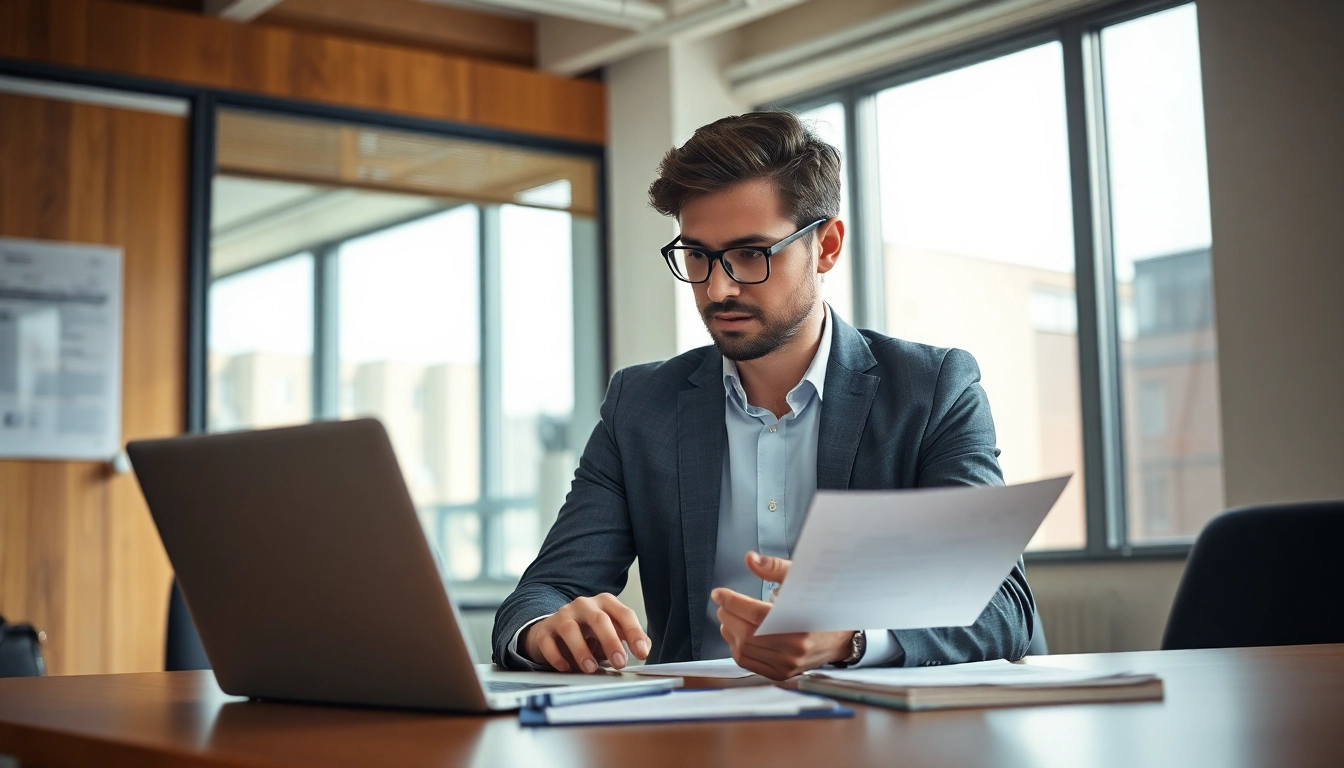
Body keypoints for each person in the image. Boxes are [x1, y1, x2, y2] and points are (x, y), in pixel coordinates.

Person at [492, 111, 1036, 680]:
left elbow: (1001, 607)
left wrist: (848, 638)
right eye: (697, 255)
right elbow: (546, 591)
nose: (717, 286)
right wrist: (545, 630)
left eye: (751, 254)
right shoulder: (640, 406)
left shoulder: (931, 391)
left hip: (871, 734)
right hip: (691, 731)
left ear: (826, 246)